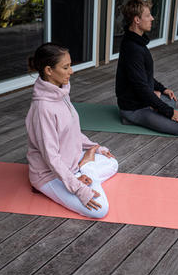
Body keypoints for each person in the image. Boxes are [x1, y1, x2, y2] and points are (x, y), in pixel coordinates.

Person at [26, 42, 118, 219]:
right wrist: (78, 188)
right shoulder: (43, 108)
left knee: (112, 162)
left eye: (70, 65)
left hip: (72, 162)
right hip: (49, 174)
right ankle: (85, 172)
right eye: (66, 67)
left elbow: (72, 131)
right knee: (100, 210)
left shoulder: (61, 92)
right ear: (49, 70)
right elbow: (51, 157)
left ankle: (85, 169)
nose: (71, 71)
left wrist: (95, 147)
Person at [115, 0, 178, 136]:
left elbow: (143, 75)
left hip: (142, 99)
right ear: (137, 20)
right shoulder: (133, 49)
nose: (152, 19)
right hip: (134, 108)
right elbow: (140, 86)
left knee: (170, 99)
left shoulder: (137, 42)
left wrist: (161, 89)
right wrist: (170, 113)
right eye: (148, 15)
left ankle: (152, 103)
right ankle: (129, 118)